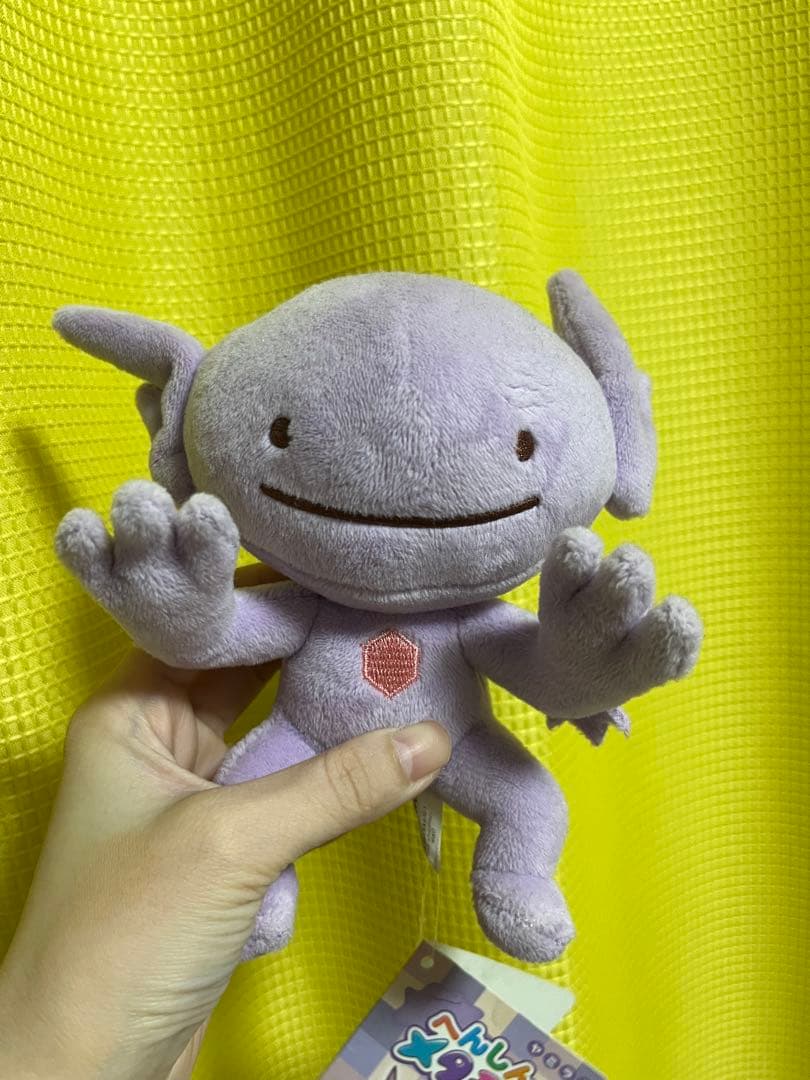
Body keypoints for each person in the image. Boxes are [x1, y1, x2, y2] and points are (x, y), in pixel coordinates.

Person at [0, 565, 451, 1080]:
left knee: (513, 795)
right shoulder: (305, 607)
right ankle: (268, 905)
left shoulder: (463, 623)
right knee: (240, 793)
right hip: (297, 735)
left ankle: (515, 872)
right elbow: (226, 632)